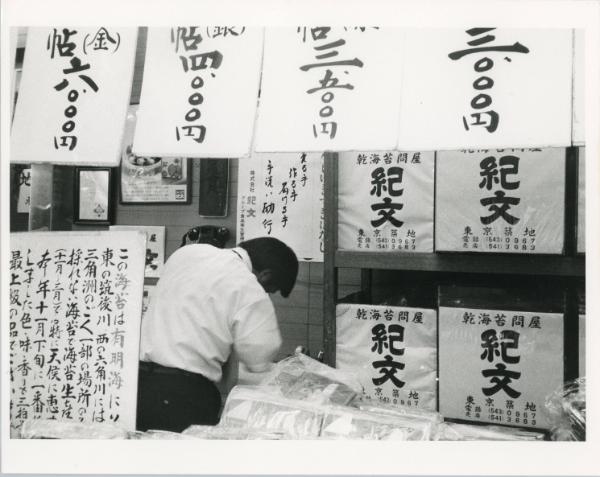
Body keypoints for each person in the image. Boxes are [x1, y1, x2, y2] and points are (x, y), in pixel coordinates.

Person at [136, 237, 298, 433]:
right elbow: (259, 355)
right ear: (265, 275)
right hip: (183, 396)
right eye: (270, 290)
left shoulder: (186, 254)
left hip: (137, 384)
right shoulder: (249, 285)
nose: (267, 294)